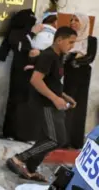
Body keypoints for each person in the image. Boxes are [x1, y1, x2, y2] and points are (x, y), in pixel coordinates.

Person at [7, 26, 78, 182]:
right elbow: (35, 80)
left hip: (53, 102)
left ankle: (31, 169)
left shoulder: (58, 57)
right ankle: (18, 159)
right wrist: (55, 98)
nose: (72, 46)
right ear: (59, 40)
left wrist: (64, 96)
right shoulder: (48, 56)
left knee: (48, 139)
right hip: (45, 103)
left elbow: (52, 81)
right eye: (70, 42)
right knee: (54, 139)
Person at [0, 9, 43, 142]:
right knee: (16, 101)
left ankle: (24, 134)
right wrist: (32, 33)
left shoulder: (30, 34)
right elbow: (22, 47)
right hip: (19, 71)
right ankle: (11, 132)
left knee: (27, 102)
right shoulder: (17, 34)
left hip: (30, 72)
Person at [64, 13, 97, 149]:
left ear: (84, 23)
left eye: (76, 20)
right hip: (69, 74)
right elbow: (63, 56)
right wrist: (73, 57)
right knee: (67, 104)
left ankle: (75, 141)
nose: (73, 22)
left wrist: (75, 59)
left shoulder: (92, 40)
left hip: (83, 75)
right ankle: (63, 139)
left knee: (79, 106)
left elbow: (90, 57)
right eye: (72, 19)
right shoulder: (68, 37)